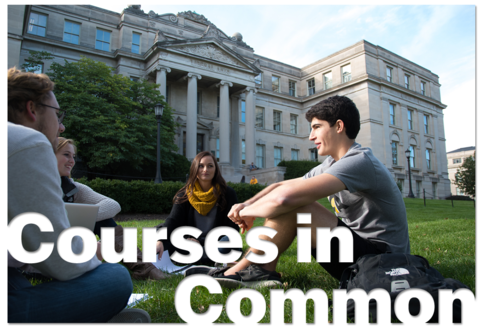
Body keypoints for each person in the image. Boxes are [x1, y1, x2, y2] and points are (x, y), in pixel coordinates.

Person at [207, 95, 410, 288]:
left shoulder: (359, 161)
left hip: (385, 264)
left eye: (316, 127)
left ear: (339, 126)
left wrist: (245, 213)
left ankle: (239, 271)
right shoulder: (331, 164)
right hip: (358, 256)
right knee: (293, 200)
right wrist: (247, 204)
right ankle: (258, 270)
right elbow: (281, 186)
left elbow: (285, 198)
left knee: (298, 205)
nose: (311, 136)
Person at [7, 67, 149, 322]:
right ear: (31, 108)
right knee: (114, 278)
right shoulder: (28, 142)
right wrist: (95, 251)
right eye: (57, 114)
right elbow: (61, 261)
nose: (61, 126)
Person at [55, 137, 166, 281]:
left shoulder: (71, 188)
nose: (72, 161)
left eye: (73, 156)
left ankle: (145, 268)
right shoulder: (35, 186)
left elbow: (112, 205)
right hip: (45, 252)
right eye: (66, 155)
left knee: (104, 220)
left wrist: (82, 219)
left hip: (69, 245)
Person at [155, 151, 242, 266]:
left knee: (228, 242)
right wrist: (160, 240)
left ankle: (194, 257)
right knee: (159, 236)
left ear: (215, 169)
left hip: (215, 243)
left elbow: (232, 229)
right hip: (189, 244)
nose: (205, 170)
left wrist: (201, 242)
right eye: (201, 166)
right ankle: (211, 259)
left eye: (210, 166)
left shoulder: (228, 193)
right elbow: (173, 221)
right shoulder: (184, 195)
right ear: (195, 169)